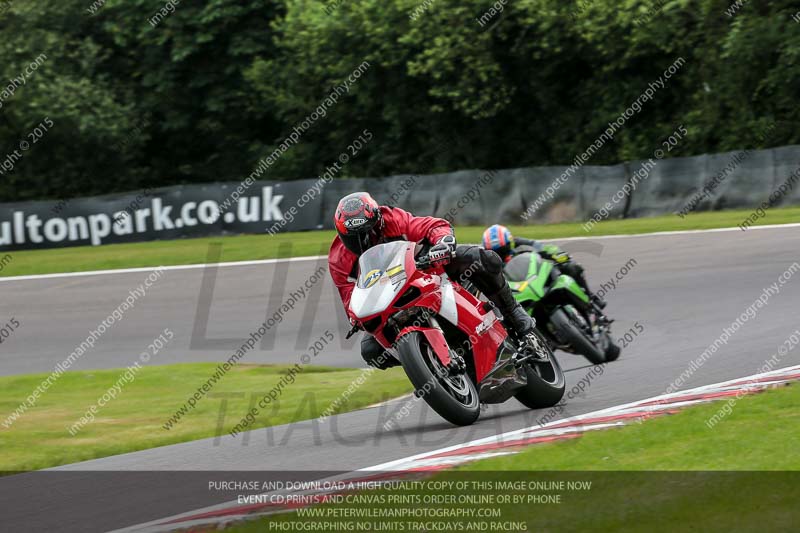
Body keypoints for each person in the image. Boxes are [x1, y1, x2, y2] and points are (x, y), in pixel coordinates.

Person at [329, 192, 540, 370]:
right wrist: (355, 317)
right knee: (370, 350)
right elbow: (350, 298)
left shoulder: (392, 219)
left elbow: (431, 225)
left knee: (481, 259)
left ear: (378, 220)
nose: (362, 241)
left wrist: (443, 242)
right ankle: (425, 362)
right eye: (353, 237)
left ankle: (513, 313)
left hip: (427, 270)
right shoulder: (338, 258)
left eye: (367, 232)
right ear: (341, 234)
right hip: (387, 300)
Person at [481, 224, 606, 309]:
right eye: (496, 252)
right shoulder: (490, 265)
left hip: (538, 273)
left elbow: (541, 246)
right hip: (522, 289)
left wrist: (557, 254)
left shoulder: (519, 242)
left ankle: (591, 298)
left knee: (571, 267)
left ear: (510, 242)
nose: (501, 254)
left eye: (503, 249)